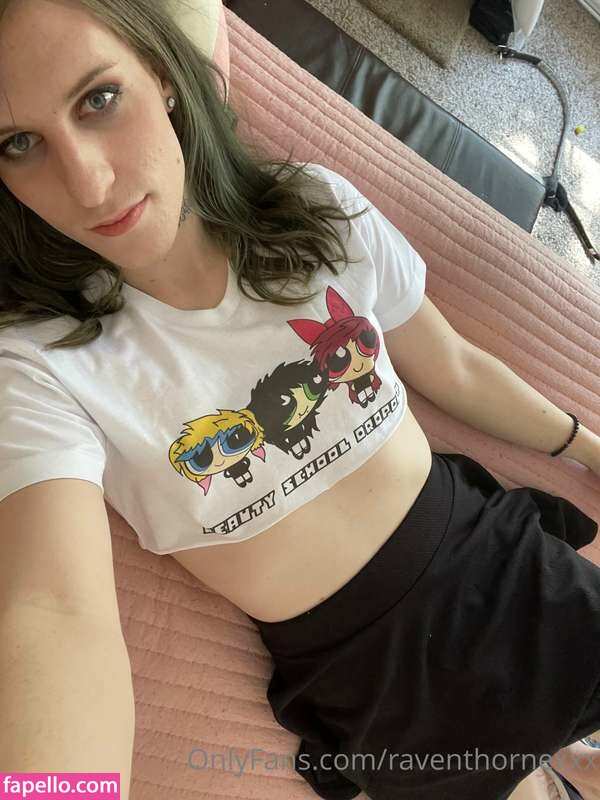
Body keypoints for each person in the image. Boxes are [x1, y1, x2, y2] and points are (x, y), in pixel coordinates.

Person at [0, 1, 599, 799]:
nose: (88, 182)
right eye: (19, 143)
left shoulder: (316, 207)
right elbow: (54, 615)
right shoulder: (37, 363)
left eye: (99, 98)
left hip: (496, 559)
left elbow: (453, 366)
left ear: (163, 72)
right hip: (376, 682)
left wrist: (587, 447)